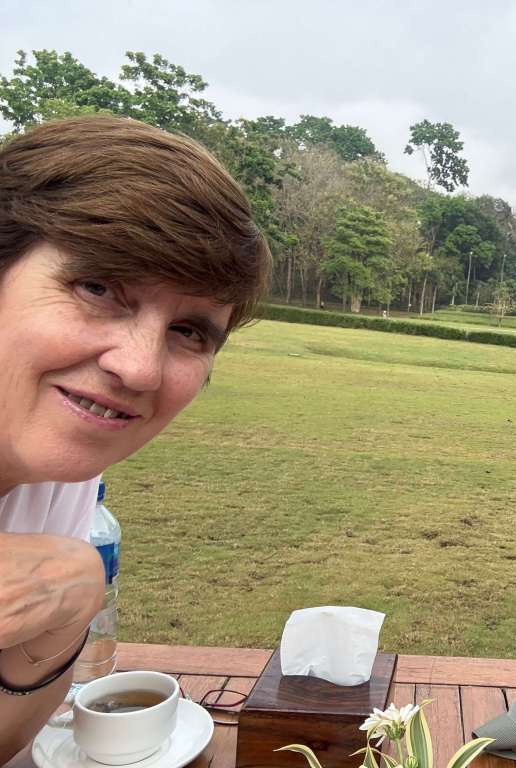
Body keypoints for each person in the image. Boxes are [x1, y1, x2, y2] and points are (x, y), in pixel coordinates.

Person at [0, 115, 270, 762]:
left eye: (189, 331)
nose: (141, 369)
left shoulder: (66, 477)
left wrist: (76, 587)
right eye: (97, 288)